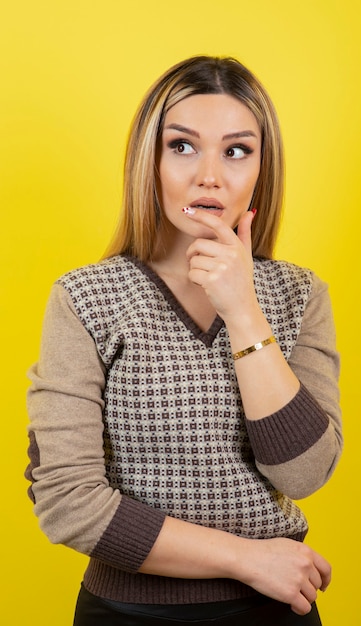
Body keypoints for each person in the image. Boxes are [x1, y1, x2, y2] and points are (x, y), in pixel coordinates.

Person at [25, 55, 342, 626]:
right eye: (183, 146)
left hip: (275, 611)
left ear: (262, 170)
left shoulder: (299, 295)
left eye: (237, 150)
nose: (210, 176)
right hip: (126, 613)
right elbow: (67, 501)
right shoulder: (85, 299)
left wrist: (244, 312)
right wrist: (248, 560)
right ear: (150, 160)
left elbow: (305, 474)